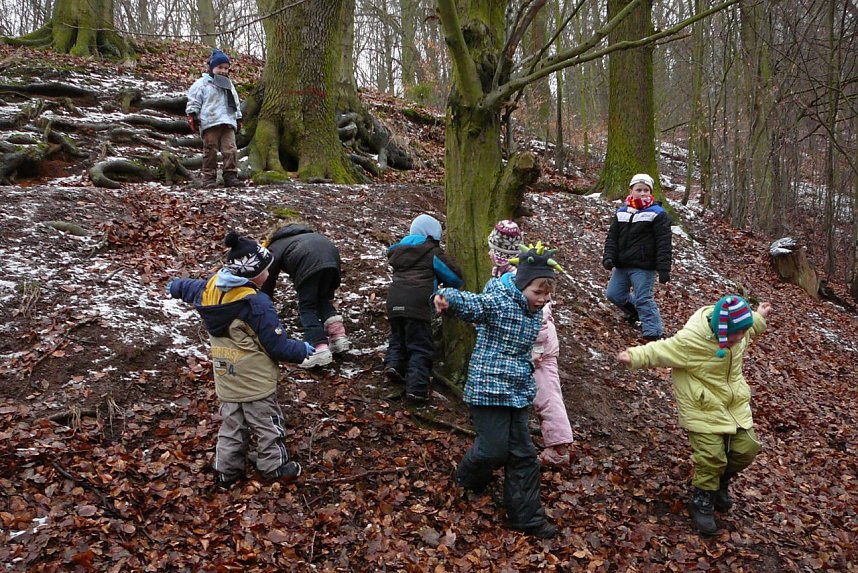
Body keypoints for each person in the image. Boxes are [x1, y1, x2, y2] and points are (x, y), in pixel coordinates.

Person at [433, 244, 562, 539]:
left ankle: (526, 518)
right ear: (521, 286)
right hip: (489, 388)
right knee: (493, 450)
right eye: (537, 293)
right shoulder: (499, 301)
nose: (542, 300)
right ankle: (467, 478)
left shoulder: (533, 311)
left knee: (523, 454)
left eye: (547, 294)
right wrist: (445, 297)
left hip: (517, 390)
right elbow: (473, 304)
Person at [616, 295, 772, 536]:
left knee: (747, 449)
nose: (740, 339)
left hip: (733, 404)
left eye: (743, 333)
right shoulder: (692, 342)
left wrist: (759, 316)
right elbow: (660, 350)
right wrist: (634, 356)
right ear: (720, 329)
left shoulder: (739, 333)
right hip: (701, 406)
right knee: (711, 456)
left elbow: (751, 328)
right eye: (735, 335)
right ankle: (702, 498)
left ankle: (719, 482)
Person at [167, 230, 311, 490]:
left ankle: (227, 472)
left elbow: (190, 287)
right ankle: (274, 467)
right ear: (255, 273)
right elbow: (276, 345)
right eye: (266, 269)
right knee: (267, 423)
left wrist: (176, 286)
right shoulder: (255, 304)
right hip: (255, 381)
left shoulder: (211, 289)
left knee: (232, 425)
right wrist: (302, 350)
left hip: (227, 376)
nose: (269, 274)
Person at [488, 221, 574, 466]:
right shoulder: (505, 275)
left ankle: (559, 448)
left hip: (539, 349)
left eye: (493, 251)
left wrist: (535, 349)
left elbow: (542, 319)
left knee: (546, 394)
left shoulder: (523, 278)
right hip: (527, 348)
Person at [384, 214, 463, 402]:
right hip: (418, 303)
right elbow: (454, 277)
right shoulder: (431, 253)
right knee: (420, 346)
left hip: (394, 300)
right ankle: (417, 389)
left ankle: (394, 365)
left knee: (398, 337)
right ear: (432, 234)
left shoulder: (398, 252)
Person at [260, 221, 349, 369]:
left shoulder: (276, 245)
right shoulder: (310, 235)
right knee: (323, 299)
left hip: (309, 264)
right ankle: (338, 336)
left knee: (307, 306)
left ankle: (318, 348)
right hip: (332, 261)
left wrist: (264, 299)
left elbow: (268, 275)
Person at [602, 173, 673, 340]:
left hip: (644, 266)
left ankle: (654, 332)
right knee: (614, 294)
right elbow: (612, 237)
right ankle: (635, 313)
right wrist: (608, 257)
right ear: (631, 190)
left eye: (646, 190)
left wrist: (664, 269)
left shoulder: (658, 213)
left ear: (651, 192)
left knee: (643, 298)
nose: (642, 193)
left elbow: (664, 243)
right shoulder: (622, 212)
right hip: (622, 264)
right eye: (639, 189)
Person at [185, 48, 244, 188]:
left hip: (228, 122)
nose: (223, 71)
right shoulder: (202, 84)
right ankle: (209, 177)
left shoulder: (229, 85)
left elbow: (235, 102)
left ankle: (230, 175)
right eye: (220, 67)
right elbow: (194, 100)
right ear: (212, 67)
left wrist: (238, 118)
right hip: (210, 122)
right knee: (210, 150)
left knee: (230, 150)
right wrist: (192, 115)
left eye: (226, 68)